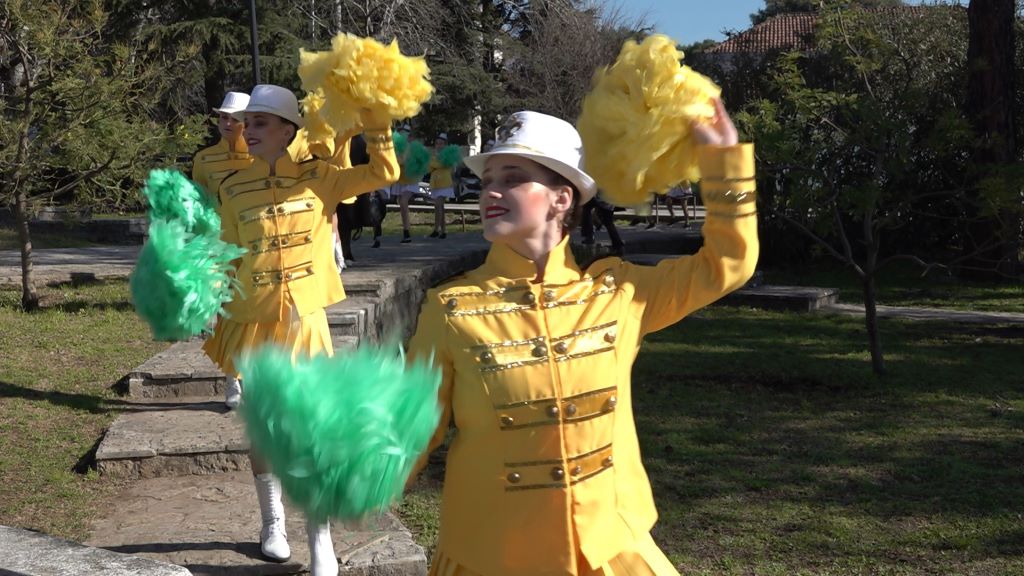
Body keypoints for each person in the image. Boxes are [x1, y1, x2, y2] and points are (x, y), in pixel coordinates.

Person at [406, 102, 757, 575]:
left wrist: (724, 165)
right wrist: (350, 471)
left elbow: (727, 266)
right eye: (487, 181)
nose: (492, 191)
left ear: (561, 199)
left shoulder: (620, 293)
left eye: (512, 178)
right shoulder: (450, 308)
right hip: (494, 555)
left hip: (609, 548)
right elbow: (411, 429)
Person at [202, 84, 398, 575]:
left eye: (261, 122)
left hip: (305, 320)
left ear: (288, 130)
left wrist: (377, 123)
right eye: (247, 121)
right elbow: (228, 252)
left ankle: (319, 533)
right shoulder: (233, 187)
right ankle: (272, 523)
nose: (248, 129)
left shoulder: (321, 177)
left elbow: (384, 173)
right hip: (253, 320)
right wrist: (213, 299)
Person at [191, 91, 250, 199]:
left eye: (235, 119)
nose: (228, 123)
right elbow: (198, 201)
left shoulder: (261, 157)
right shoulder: (202, 158)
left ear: (247, 124)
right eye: (224, 117)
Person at [392, 126, 422, 244]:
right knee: (402, 205)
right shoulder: (397, 148)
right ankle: (406, 231)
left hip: (411, 180)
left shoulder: (414, 149)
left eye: (406, 135)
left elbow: (420, 162)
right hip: (401, 180)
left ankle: (407, 232)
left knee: (403, 202)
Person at [427, 132, 455, 239]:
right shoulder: (434, 155)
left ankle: (436, 229)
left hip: (445, 183)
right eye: (437, 143)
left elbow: (442, 165)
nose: (439, 146)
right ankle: (443, 231)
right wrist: (433, 164)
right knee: (439, 207)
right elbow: (429, 168)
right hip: (435, 183)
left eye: (441, 143)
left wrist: (434, 164)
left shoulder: (448, 155)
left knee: (438, 205)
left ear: (445, 144)